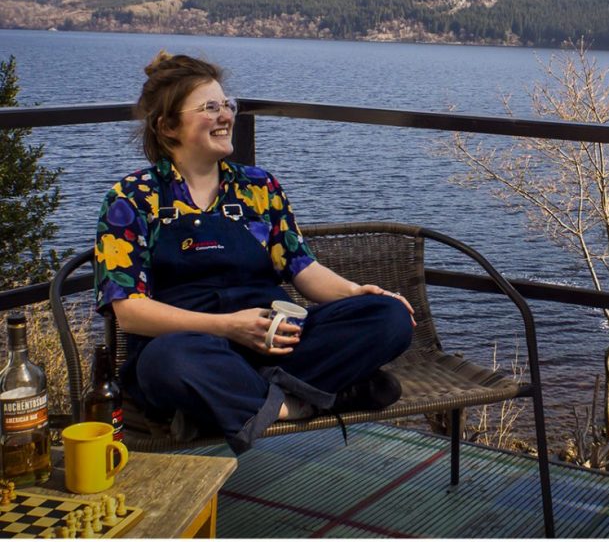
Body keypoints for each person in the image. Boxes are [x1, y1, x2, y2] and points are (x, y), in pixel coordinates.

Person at [93, 52, 416, 454]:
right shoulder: (131, 199)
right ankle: (301, 400)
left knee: (390, 317)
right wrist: (229, 326)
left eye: (227, 104)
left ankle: (241, 401)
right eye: (209, 107)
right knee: (166, 363)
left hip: (275, 339)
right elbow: (129, 310)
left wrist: (356, 293)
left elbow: (301, 267)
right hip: (196, 342)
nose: (226, 115)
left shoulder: (259, 187)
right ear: (168, 126)